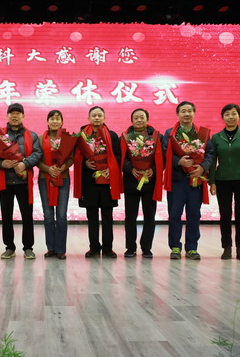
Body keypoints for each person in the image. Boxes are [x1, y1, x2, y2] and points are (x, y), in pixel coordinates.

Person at [0, 103, 42, 260]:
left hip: (23, 182)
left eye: (18, 113)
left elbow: (37, 153)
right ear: (7, 116)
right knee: (6, 216)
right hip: (6, 182)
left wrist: (24, 164)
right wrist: (2, 163)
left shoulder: (32, 136)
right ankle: (9, 247)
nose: (15, 116)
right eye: (12, 113)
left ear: (23, 116)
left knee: (27, 216)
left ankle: (28, 247)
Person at [163, 101, 214, 260]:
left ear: (194, 113)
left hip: (195, 179)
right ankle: (175, 247)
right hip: (177, 180)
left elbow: (210, 153)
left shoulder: (202, 134)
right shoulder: (170, 133)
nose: (186, 114)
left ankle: (192, 248)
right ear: (177, 114)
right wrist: (178, 161)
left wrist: (202, 167)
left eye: (189, 111)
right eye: (183, 111)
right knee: (174, 215)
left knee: (194, 215)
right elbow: (164, 153)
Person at [209, 104, 240, 261]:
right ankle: (227, 248)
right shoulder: (216, 137)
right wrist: (212, 181)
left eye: (234, 114)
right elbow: (212, 161)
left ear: (239, 116)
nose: (231, 117)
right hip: (222, 180)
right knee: (225, 215)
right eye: (227, 114)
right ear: (222, 117)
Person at [74, 106, 122, 258]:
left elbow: (119, 156)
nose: (96, 118)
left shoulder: (112, 135)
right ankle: (94, 247)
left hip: (107, 181)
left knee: (107, 215)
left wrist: (111, 168)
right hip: (89, 182)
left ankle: (108, 248)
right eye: (94, 115)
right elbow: (75, 156)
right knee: (92, 215)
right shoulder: (82, 136)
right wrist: (84, 163)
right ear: (88, 118)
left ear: (104, 118)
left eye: (99, 115)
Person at [121, 108, 163, 259]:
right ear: (132, 121)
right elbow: (121, 157)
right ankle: (130, 248)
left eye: (142, 117)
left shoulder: (157, 137)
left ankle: (146, 248)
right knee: (130, 217)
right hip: (131, 182)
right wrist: (130, 168)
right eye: (136, 118)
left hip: (149, 182)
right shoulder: (125, 137)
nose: (139, 120)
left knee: (149, 216)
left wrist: (153, 169)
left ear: (147, 120)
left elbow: (163, 157)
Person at [37, 110, 74, 260]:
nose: (54, 121)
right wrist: (48, 169)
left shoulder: (67, 138)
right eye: (52, 118)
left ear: (62, 122)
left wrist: (62, 167)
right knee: (48, 215)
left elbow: (71, 158)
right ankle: (51, 248)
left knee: (61, 215)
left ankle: (60, 249)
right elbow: (36, 159)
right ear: (47, 121)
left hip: (63, 179)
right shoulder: (40, 139)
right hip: (44, 179)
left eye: (58, 119)